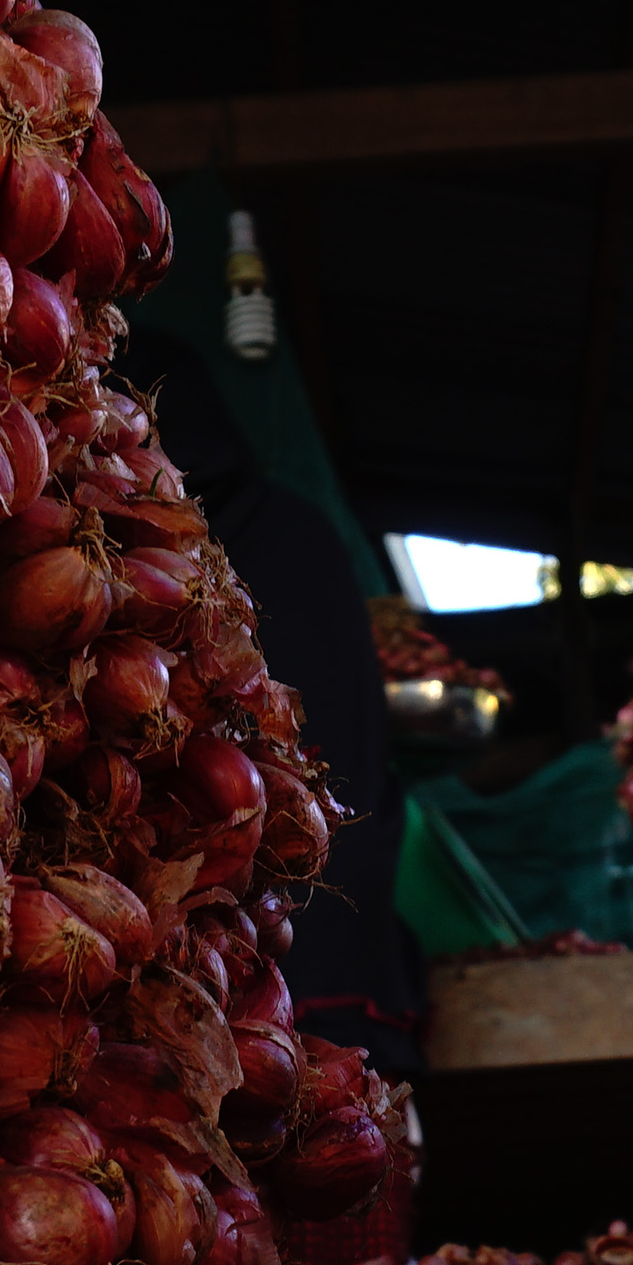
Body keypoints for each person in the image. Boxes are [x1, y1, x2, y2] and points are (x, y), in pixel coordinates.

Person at [111, 331, 426, 1075]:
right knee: (344, 1116)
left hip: (223, 903)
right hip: (336, 869)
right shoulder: (300, 530)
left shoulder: (160, 553)